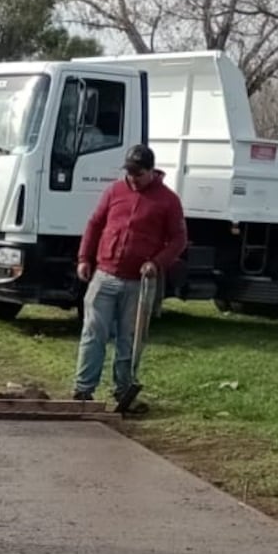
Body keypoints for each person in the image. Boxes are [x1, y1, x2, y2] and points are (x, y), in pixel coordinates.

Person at [72, 144, 187, 413]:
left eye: (138, 173)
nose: (132, 178)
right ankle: (83, 390)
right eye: (129, 172)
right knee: (93, 332)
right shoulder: (114, 190)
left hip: (138, 282)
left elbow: (179, 239)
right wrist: (83, 258)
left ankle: (123, 391)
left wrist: (156, 263)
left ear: (151, 171)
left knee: (129, 338)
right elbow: (95, 224)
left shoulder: (168, 200)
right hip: (105, 274)